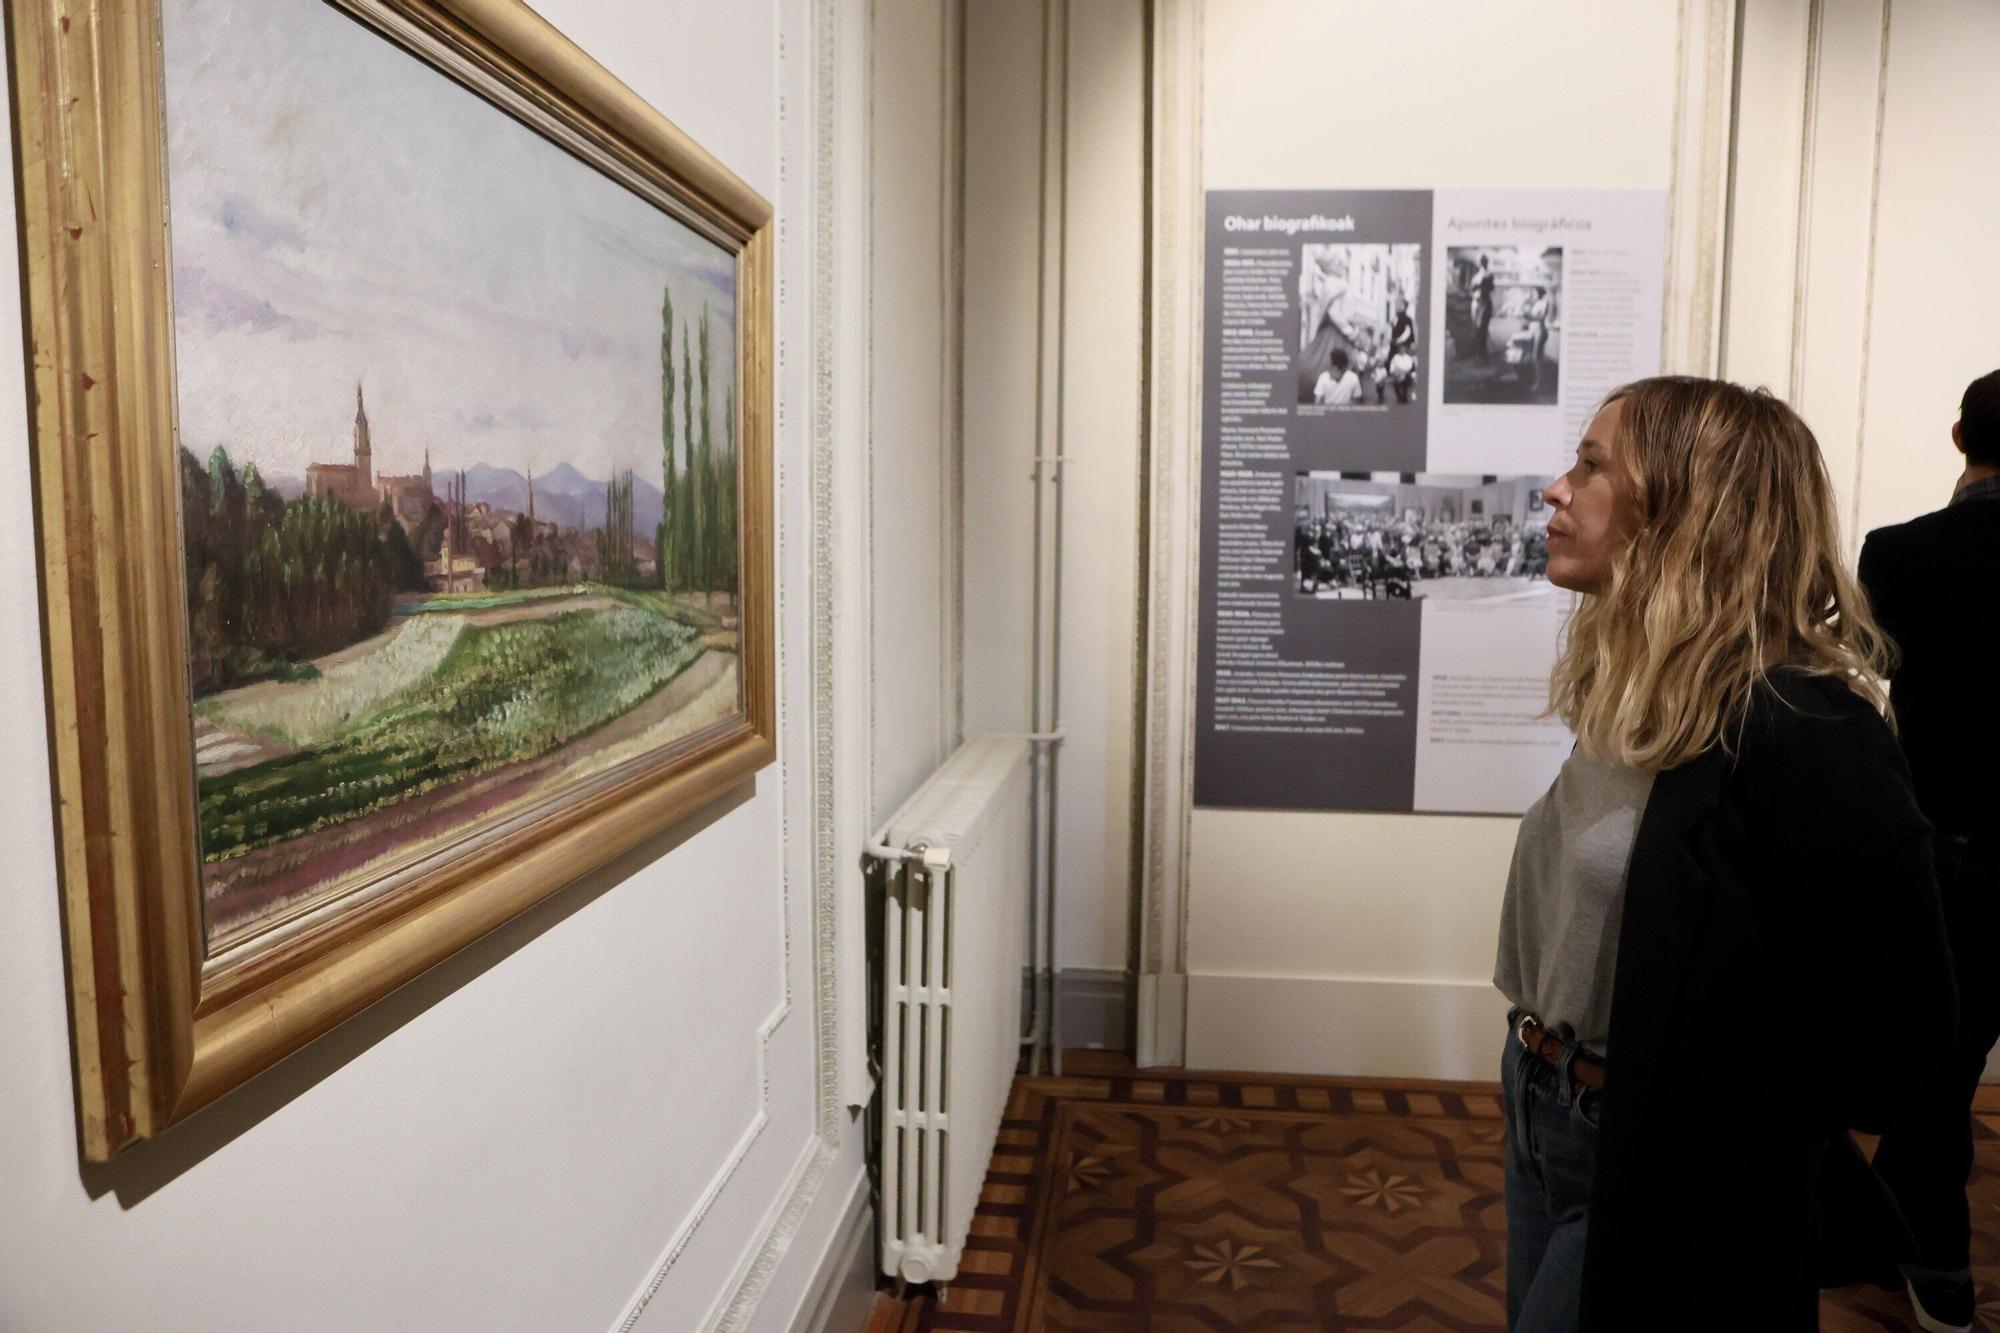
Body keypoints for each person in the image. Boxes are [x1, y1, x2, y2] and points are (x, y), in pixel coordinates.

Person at [1494, 376, 1956, 1330]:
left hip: (1653, 1145)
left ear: (1684, 507)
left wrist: (1734, 1125)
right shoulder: (1641, 688)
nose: (1555, 488)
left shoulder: (1808, 730)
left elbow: (1903, 1023)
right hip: (1542, 1101)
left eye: (1590, 465)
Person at [1844, 368, 2000, 1332]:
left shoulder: (1897, 556)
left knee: (1936, 1071)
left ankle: (1934, 1262)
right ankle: (1907, 1241)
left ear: (1956, 437)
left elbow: (1879, 671)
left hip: (1949, 852)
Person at [1470, 255, 1496, 361]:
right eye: (1481, 260)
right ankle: (1478, 354)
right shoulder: (1476, 275)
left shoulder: (1489, 274)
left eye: (1483, 260)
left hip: (1484, 303)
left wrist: (1480, 286)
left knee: (1482, 329)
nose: (1481, 262)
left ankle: (1483, 355)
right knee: (1476, 329)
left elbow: (1490, 288)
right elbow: (1472, 288)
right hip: (1476, 303)